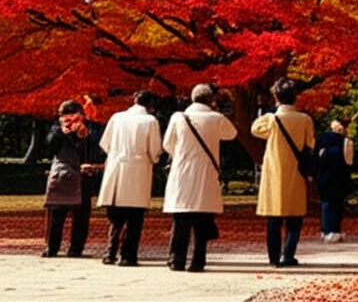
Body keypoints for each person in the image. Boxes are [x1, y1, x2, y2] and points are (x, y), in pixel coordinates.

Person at [163, 84, 238, 272]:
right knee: (202, 219)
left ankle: (176, 259)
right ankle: (198, 260)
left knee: (180, 219)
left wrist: (182, 153)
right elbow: (232, 134)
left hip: (182, 171)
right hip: (206, 172)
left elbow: (167, 145)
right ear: (211, 100)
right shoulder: (216, 118)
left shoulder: (178, 118)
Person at [252, 78, 315, 267]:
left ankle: (273, 258)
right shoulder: (305, 120)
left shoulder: (271, 120)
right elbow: (310, 144)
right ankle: (288, 255)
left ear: (276, 97)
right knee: (295, 218)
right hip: (296, 172)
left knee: (274, 218)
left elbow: (255, 129)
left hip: (274, 172)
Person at [96, 90, 163, 266]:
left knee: (116, 216)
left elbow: (105, 144)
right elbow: (154, 150)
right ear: (151, 106)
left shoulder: (116, 117)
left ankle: (109, 252)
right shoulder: (150, 121)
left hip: (116, 168)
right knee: (134, 216)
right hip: (138, 170)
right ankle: (127, 255)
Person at [42, 100, 93, 257]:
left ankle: (65, 248)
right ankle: (62, 248)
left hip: (72, 174)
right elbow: (50, 148)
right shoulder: (59, 131)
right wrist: (68, 132)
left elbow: (49, 148)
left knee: (72, 214)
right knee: (65, 214)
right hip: (70, 174)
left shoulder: (86, 131)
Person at [315, 118, 353, 243]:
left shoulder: (321, 141)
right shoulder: (346, 142)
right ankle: (334, 230)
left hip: (322, 177)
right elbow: (349, 161)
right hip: (338, 177)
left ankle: (325, 231)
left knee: (326, 203)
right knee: (336, 204)